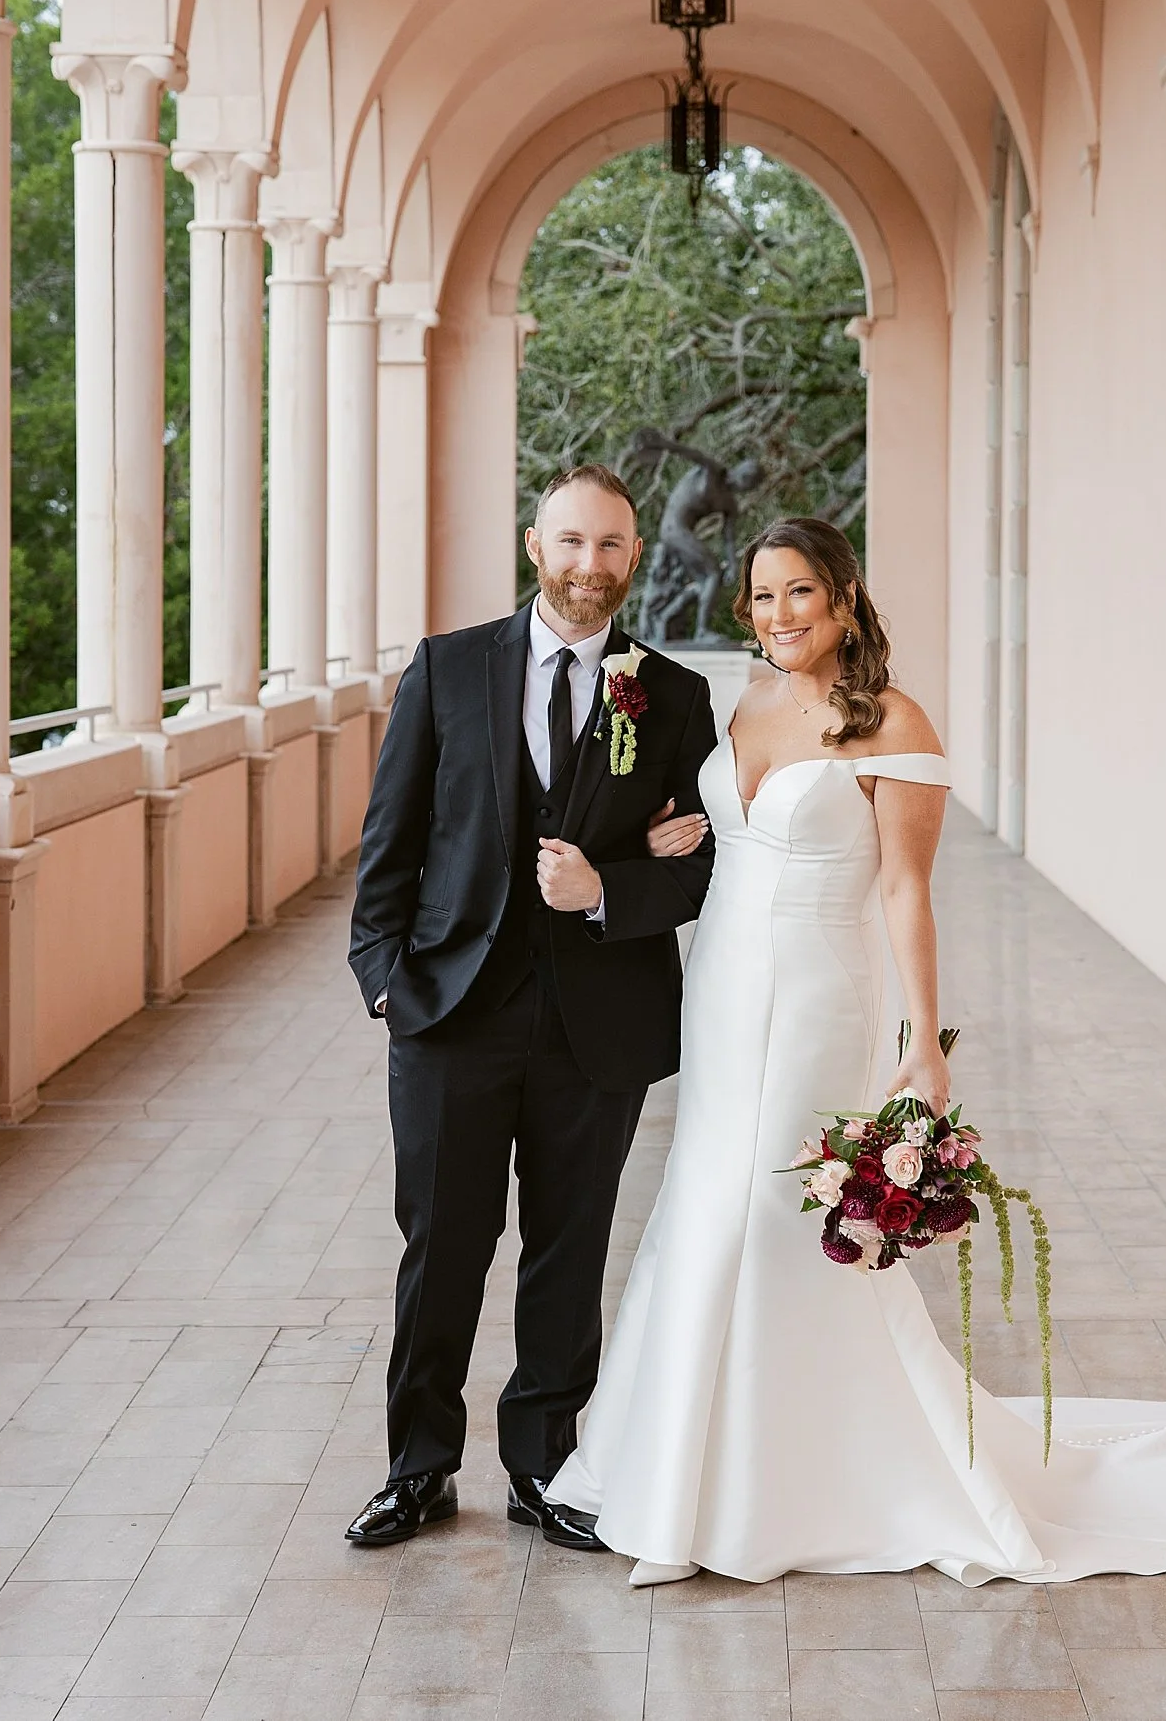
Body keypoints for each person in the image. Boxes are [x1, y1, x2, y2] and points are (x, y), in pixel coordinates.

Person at [547, 516, 1166, 1585]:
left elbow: (907, 889)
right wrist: (661, 841)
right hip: (725, 990)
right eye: (764, 597)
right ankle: (684, 1463)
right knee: (704, 1198)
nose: (779, 616)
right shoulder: (754, 700)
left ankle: (776, 1483)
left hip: (820, 996)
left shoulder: (894, 722)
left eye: (800, 596)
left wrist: (924, 1042)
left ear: (844, 598)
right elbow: (718, 833)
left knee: (771, 1213)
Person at [343, 466, 716, 1550]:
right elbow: (390, 846)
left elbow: (704, 870)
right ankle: (418, 1467)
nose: (588, 566)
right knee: (442, 1244)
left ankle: (545, 1465)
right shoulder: (450, 670)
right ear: (533, 543)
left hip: (596, 1020)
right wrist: (386, 985)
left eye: (609, 546)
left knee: (568, 1246)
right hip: (451, 1014)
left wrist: (610, 889)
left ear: (634, 558)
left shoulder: (674, 695)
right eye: (570, 542)